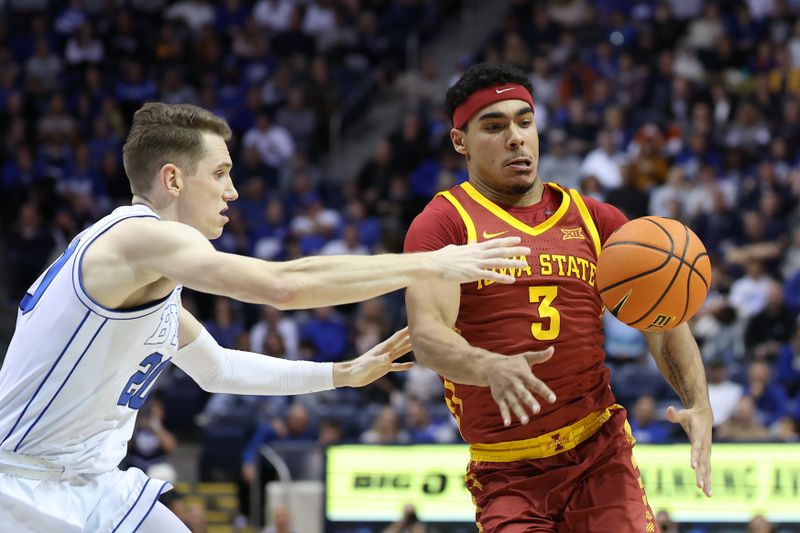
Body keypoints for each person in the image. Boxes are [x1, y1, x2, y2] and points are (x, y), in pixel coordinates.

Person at [0, 102, 531, 532]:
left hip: (91, 485)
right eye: (221, 173)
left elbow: (218, 370)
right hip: (22, 490)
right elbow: (281, 285)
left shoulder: (146, 275)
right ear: (173, 179)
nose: (232, 190)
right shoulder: (138, 236)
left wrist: (342, 374)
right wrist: (429, 262)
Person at [404, 64, 713, 532]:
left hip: (599, 452)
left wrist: (698, 402)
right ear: (459, 141)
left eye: (524, 122)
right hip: (507, 468)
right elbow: (427, 337)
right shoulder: (446, 225)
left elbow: (663, 321)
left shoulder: (595, 219)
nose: (515, 138)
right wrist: (490, 366)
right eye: (494, 126)